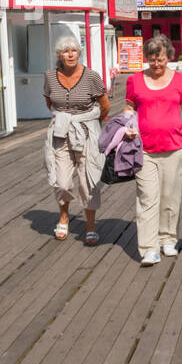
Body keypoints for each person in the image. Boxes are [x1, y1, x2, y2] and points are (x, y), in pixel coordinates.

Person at [124, 34, 182, 266]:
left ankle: (168, 238)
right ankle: (149, 248)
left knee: (170, 197)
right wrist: (129, 125)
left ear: (168, 57)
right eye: (151, 59)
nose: (156, 64)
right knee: (147, 198)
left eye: (160, 59)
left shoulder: (180, 81)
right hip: (144, 149)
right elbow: (129, 107)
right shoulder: (135, 80)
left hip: (174, 148)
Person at [44, 35, 111, 244]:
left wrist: (88, 122)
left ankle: (90, 226)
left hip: (87, 132)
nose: (70, 54)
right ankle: (64, 215)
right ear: (59, 55)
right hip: (60, 133)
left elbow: (105, 105)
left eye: (73, 50)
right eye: (65, 51)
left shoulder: (91, 76)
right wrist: (65, 121)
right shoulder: (49, 76)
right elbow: (49, 102)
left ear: (79, 53)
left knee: (88, 180)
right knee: (61, 181)